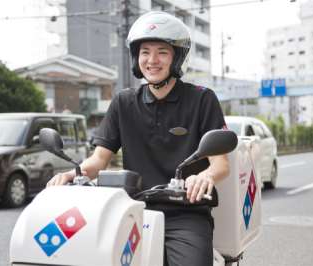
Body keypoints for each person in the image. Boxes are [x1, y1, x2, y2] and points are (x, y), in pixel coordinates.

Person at [47, 11, 229, 266]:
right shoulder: (123, 102)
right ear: (136, 57)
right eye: (145, 51)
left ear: (177, 57)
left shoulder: (201, 99)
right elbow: (99, 159)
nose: (152, 60)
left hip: (186, 213)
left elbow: (220, 164)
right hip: (132, 209)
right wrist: (73, 174)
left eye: (162, 52)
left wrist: (204, 176)